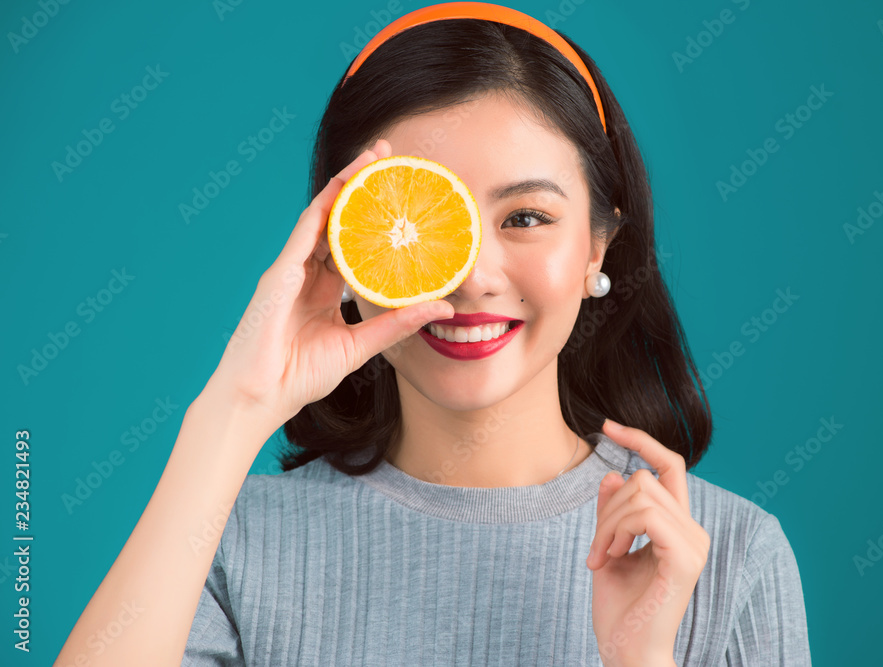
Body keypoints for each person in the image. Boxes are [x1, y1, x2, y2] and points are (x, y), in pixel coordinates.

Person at [55, 3, 811, 666]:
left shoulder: (730, 556)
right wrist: (235, 407)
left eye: (525, 218)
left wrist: (640, 659)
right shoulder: (224, 542)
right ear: (344, 243)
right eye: (417, 225)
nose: (472, 277)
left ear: (597, 247)